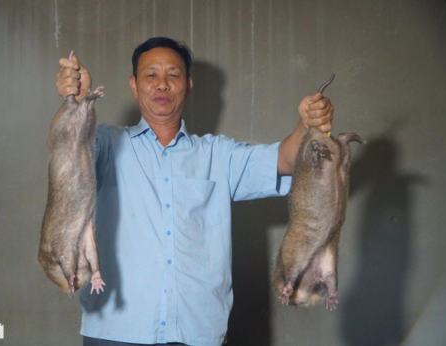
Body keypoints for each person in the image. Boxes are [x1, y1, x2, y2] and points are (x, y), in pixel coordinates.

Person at [49, 37, 334, 346]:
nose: (161, 84)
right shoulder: (107, 144)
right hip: (116, 332)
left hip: (197, 334)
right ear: (134, 85)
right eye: (151, 75)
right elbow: (62, 151)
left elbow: (285, 160)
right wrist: (75, 103)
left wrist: (307, 125)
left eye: (172, 75)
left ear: (188, 84)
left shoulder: (218, 155)